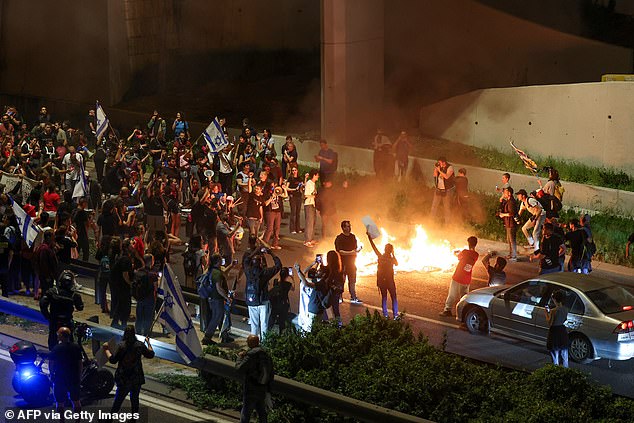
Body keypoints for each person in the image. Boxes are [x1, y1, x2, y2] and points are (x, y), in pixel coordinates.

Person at [103, 326, 155, 418]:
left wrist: (106, 350)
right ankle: (133, 419)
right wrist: (148, 343)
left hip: (124, 378)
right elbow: (151, 354)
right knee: (135, 399)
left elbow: (113, 360)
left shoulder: (121, 346)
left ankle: (110, 419)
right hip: (136, 377)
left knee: (118, 400)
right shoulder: (139, 345)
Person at [39, 270, 84, 350]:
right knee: (70, 344)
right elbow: (80, 307)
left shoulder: (53, 292)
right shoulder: (74, 295)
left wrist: (48, 316)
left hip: (55, 321)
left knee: (52, 343)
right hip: (67, 321)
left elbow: (43, 304)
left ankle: (52, 357)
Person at [243, 247, 282, 340]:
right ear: (261, 263)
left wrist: (255, 250)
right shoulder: (265, 272)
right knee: (264, 324)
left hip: (251, 302)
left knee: (254, 325)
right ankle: (264, 344)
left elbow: (246, 261)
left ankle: (253, 343)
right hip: (263, 302)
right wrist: (271, 253)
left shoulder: (248, 271)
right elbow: (278, 266)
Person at [236, 335, 273, 423]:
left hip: (251, 388)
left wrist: (239, 358)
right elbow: (271, 373)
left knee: (246, 412)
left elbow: (239, 368)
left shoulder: (251, 355)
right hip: (262, 388)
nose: (246, 342)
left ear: (252, 343)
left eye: (248, 341)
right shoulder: (266, 354)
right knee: (261, 412)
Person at [48, 327, 83, 421]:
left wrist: (51, 374)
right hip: (74, 378)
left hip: (60, 379)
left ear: (61, 336)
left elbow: (51, 363)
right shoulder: (76, 347)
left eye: (58, 335)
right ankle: (77, 420)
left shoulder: (56, 349)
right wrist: (79, 376)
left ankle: (62, 420)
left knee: (60, 402)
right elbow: (80, 363)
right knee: (76, 401)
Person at [439, 236, 479, 317]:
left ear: (468, 243)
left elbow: (458, 256)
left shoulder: (464, 252)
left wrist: (456, 252)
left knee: (452, 295)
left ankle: (447, 310)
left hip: (458, 277)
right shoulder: (476, 255)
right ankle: (465, 314)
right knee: (464, 297)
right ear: (475, 244)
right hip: (467, 279)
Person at [201, 254, 232, 345]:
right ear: (217, 261)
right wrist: (227, 297)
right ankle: (207, 337)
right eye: (220, 260)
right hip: (216, 299)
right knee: (216, 318)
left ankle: (222, 336)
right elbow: (219, 288)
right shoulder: (217, 273)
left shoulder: (211, 270)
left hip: (211, 298)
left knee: (217, 317)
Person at [367, 233, 399, 319]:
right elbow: (397, 264)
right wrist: (393, 254)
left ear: (384, 250)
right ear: (391, 250)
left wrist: (369, 237)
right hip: (390, 282)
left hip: (381, 282)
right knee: (394, 298)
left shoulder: (380, 256)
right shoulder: (391, 259)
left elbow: (373, 247)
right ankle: (395, 315)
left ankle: (385, 315)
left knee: (384, 298)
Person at [335, 220, 362, 304]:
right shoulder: (339, 238)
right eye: (347, 226)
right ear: (343, 228)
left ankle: (353, 296)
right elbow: (340, 251)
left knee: (352, 282)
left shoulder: (353, 237)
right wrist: (351, 253)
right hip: (343, 265)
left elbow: (355, 249)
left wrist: (358, 250)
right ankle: (339, 297)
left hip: (352, 265)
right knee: (341, 282)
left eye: (349, 226)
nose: (349, 228)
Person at [134, 254, 157, 336]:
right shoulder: (152, 274)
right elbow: (155, 287)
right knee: (148, 317)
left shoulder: (138, 272)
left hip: (140, 298)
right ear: (151, 261)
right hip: (149, 298)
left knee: (139, 316)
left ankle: (138, 333)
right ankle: (146, 334)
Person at [545, 290, 569, 368]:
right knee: (564, 352)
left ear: (555, 300)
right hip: (562, 330)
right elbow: (565, 319)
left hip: (554, 331)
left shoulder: (553, 311)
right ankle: (565, 368)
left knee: (555, 352)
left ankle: (555, 368)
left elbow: (550, 323)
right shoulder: (565, 309)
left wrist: (546, 314)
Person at [268, 267, 295, 332]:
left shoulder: (276, 281)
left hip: (275, 304)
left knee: (272, 319)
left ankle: (266, 333)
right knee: (282, 321)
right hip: (283, 304)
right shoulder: (288, 284)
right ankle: (281, 335)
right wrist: (292, 278)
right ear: (287, 275)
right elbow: (293, 289)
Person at [430, 156, 455, 226]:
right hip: (438, 189)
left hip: (447, 190)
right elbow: (435, 175)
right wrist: (436, 169)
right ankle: (431, 222)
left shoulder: (450, 167)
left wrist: (439, 170)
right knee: (434, 206)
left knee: (446, 207)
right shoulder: (439, 167)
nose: (439, 164)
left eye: (440, 162)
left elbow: (447, 176)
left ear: (444, 162)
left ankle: (447, 224)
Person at [497, 187, 518, 262]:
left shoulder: (511, 202)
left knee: (512, 240)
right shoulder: (508, 201)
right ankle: (511, 254)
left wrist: (503, 214)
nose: (504, 194)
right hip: (508, 223)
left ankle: (514, 256)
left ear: (509, 193)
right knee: (509, 240)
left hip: (511, 223)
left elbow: (511, 213)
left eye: (505, 192)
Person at [303, 169, 319, 247]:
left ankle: (311, 238)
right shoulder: (309, 183)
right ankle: (307, 240)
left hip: (313, 204)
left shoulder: (313, 184)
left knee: (313, 222)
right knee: (309, 222)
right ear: (314, 175)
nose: (318, 177)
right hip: (308, 204)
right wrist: (313, 196)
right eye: (317, 175)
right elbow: (306, 195)